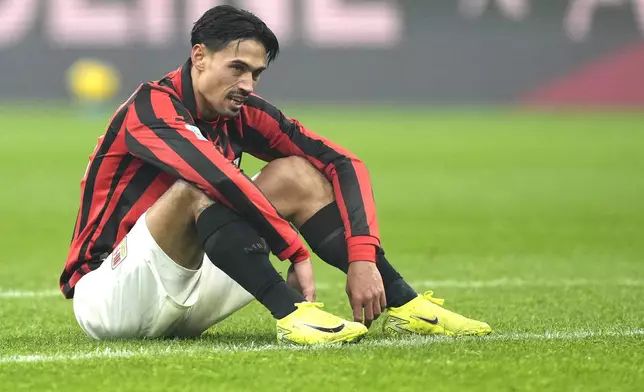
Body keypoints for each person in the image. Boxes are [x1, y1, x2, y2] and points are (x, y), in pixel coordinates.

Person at [61, 5, 491, 344]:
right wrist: (295, 252)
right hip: (111, 295)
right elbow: (218, 180)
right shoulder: (150, 107)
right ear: (199, 57)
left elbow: (343, 163)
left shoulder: (242, 112)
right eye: (237, 68)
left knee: (297, 175)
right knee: (199, 184)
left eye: (256, 73)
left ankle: (404, 302)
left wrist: (362, 257)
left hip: (189, 296)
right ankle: (290, 312)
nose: (248, 84)